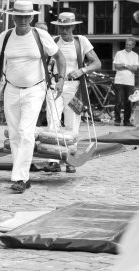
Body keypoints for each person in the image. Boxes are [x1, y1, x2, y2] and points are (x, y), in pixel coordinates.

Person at [0, 1, 66, 194]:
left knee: (25, 131)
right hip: (11, 89)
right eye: (19, 16)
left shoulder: (41, 35)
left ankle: (20, 178)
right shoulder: (5, 36)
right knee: (14, 134)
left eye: (26, 16)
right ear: (13, 17)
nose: (22, 20)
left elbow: (59, 57)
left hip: (35, 89)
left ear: (31, 17)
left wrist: (62, 80)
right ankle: (23, 176)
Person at [44, 12, 101, 173]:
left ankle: (70, 158)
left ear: (73, 26)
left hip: (75, 87)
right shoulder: (53, 41)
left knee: (72, 123)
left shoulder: (81, 41)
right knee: (53, 120)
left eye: (67, 27)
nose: (64, 30)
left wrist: (82, 70)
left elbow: (96, 63)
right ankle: (53, 159)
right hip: (55, 85)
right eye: (61, 27)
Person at [113, 38, 139, 126]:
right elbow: (116, 66)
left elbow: (135, 68)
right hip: (119, 81)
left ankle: (126, 121)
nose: (127, 46)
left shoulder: (135, 55)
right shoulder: (119, 53)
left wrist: (123, 65)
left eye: (129, 45)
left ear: (133, 46)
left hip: (130, 82)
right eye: (126, 44)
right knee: (118, 102)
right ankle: (117, 120)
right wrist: (128, 66)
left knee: (129, 102)